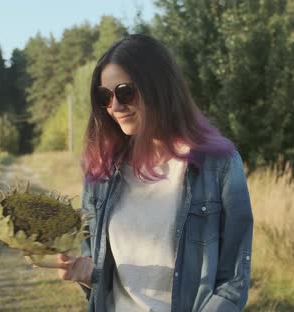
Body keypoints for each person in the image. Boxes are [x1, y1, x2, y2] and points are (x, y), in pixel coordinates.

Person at [53, 34, 253, 312]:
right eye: (105, 96)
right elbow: (102, 279)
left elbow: (233, 281)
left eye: (125, 92)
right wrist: (87, 275)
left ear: (159, 87)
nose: (115, 106)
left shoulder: (218, 166)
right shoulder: (101, 173)